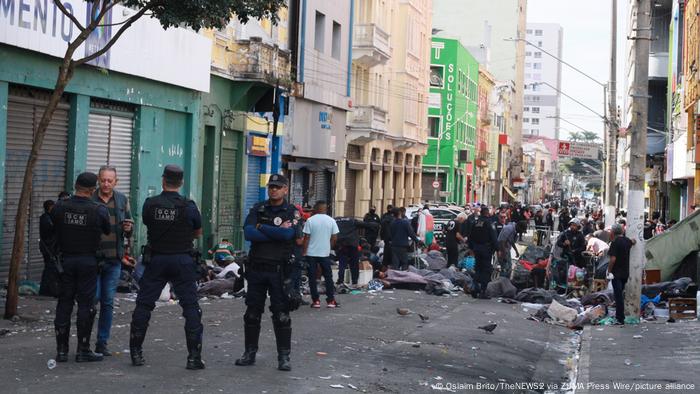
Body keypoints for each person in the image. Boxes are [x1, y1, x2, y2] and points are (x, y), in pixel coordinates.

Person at [129, 165, 205, 370]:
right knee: (190, 307)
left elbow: (147, 223)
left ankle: (136, 353)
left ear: (163, 181)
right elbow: (197, 232)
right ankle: (194, 358)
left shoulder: (151, 204)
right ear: (180, 183)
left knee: (144, 305)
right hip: (182, 260)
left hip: (157, 260)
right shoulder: (189, 206)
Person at [236, 174, 300, 372]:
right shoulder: (258, 208)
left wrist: (262, 227)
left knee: (281, 315)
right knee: (252, 314)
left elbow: (288, 234)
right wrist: (274, 231)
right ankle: (249, 353)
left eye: (278, 187)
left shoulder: (291, 211)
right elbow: (248, 232)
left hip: (279, 271)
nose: (274, 190)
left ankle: (284, 357)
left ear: (285, 189)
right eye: (271, 187)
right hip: (257, 269)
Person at [51, 172, 111, 363]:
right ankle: (83, 349)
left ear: (75, 185)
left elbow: (53, 226)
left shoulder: (60, 207)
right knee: (86, 305)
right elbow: (107, 229)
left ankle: (61, 351)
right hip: (87, 262)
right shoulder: (98, 210)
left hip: (65, 262)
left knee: (64, 303)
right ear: (93, 189)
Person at [92, 165, 133, 357]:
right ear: (98, 180)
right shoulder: (91, 200)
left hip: (114, 260)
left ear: (115, 182)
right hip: (93, 259)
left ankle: (102, 342)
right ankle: (84, 341)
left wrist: (128, 228)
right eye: (103, 180)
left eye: (110, 180)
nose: (106, 184)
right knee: (93, 299)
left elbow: (130, 227)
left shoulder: (122, 200)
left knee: (107, 302)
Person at [303, 201, 339, 308]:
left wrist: (304, 251)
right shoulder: (331, 220)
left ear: (315, 209)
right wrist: (329, 247)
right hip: (325, 253)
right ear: (325, 209)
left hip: (311, 253)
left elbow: (307, 237)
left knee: (312, 277)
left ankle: (316, 301)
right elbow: (335, 238)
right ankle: (331, 300)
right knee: (328, 276)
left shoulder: (310, 220)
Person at [335, 216, 378, 287]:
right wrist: (376, 225)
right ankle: (354, 282)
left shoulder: (335, 220)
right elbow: (365, 224)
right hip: (352, 243)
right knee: (354, 263)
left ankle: (340, 281)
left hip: (341, 244)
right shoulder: (351, 220)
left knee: (342, 263)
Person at [607, 223, 636, 325]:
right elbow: (633, 241)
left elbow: (613, 259)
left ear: (613, 232)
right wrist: (633, 241)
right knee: (620, 295)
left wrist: (609, 271)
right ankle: (619, 316)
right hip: (625, 273)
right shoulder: (626, 241)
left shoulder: (614, 243)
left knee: (618, 296)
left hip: (616, 273)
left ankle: (620, 318)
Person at [469, 208, 498, 299]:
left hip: (477, 248)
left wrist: (471, 248)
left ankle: (474, 287)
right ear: (487, 214)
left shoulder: (475, 223)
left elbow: (470, 236)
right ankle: (483, 291)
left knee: (478, 268)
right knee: (486, 270)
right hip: (486, 249)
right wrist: (497, 249)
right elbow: (494, 237)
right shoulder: (489, 223)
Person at [39, 199, 59, 297]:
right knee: (50, 269)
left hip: (50, 247)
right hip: (48, 248)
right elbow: (50, 232)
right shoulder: (45, 218)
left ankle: (47, 290)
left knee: (50, 269)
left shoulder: (49, 217)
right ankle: (47, 290)